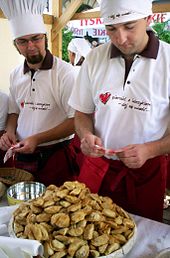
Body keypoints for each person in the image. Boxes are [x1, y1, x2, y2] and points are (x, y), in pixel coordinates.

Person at [68, 0, 170, 222]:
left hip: (146, 173)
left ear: (148, 20)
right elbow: (82, 113)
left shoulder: (168, 61)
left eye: (130, 26)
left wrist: (151, 149)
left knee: (143, 238)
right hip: (99, 167)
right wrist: (85, 135)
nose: (120, 39)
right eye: (111, 29)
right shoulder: (95, 58)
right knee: (93, 232)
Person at [0, 0, 76, 186]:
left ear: (45, 37)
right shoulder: (15, 74)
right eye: (23, 41)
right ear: (16, 44)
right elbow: (14, 111)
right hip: (23, 157)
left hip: (56, 157)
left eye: (36, 38)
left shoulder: (65, 73)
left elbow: (75, 121)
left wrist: (37, 139)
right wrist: (9, 132)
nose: (31, 46)